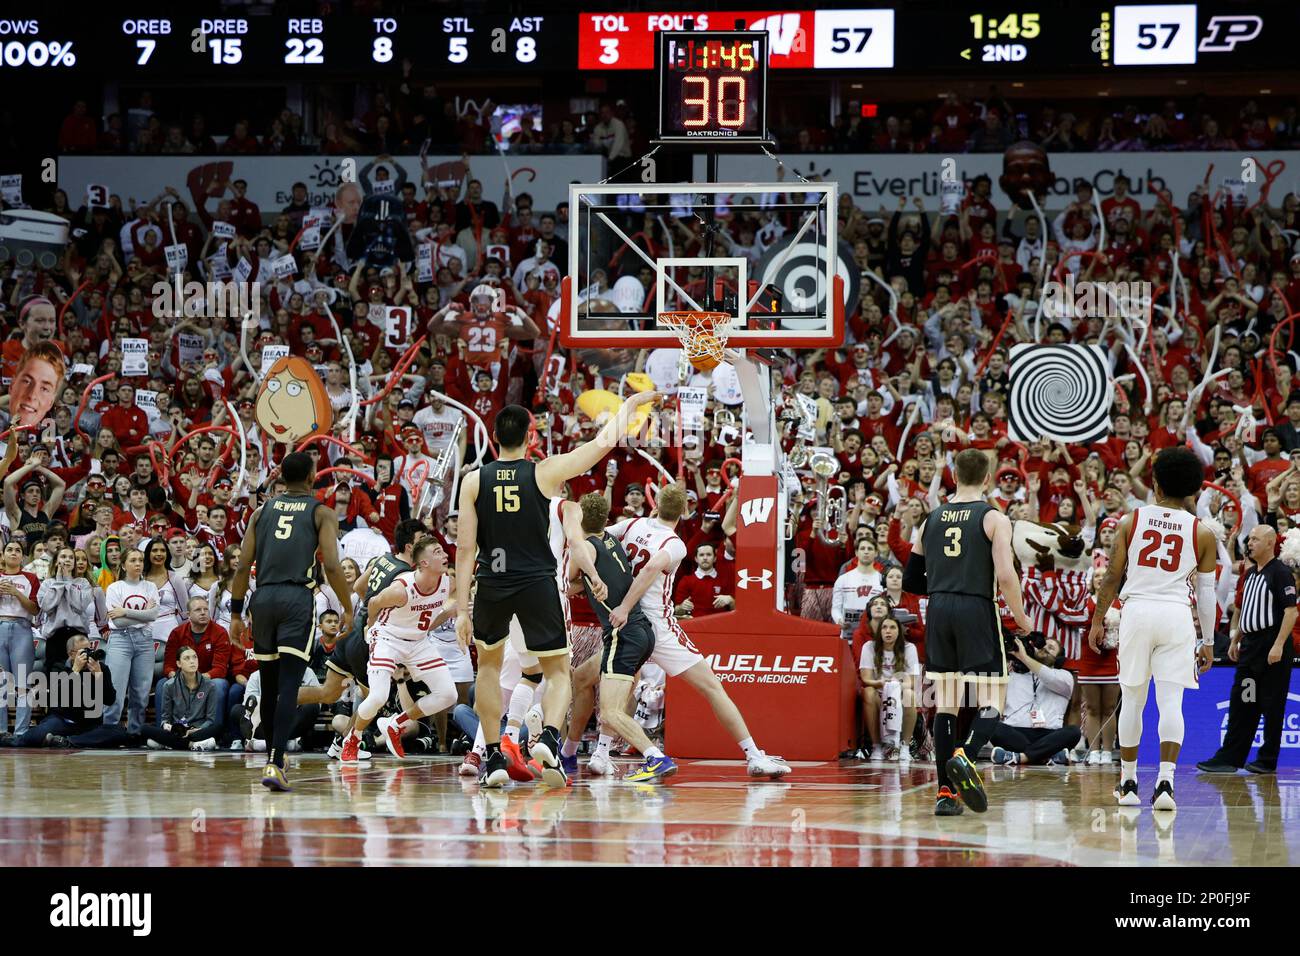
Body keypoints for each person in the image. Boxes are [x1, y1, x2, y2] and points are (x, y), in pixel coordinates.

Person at [454, 393, 659, 788]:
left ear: (495, 437)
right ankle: (548, 735)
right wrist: (629, 407)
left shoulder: (474, 480)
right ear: (530, 437)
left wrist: (463, 608)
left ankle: (493, 755)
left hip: (493, 583)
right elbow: (600, 445)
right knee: (558, 672)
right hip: (537, 582)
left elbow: (464, 550)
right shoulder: (544, 472)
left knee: (491, 670)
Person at [605, 484, 791, 778]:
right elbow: (651, 568)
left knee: (610, 686)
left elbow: (599, 539)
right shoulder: (673, 542)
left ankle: (601, 753)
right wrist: (627, 605)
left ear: (654, 505)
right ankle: (754, 755)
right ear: (682, 512)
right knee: (712, 688)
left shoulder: (633, 524)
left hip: (626, 624)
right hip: (656, 625)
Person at [903, 447, 1034, 817]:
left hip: (939, 608)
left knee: (947, 702)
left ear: (954, 476)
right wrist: (1022, 619)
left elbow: (912, 577)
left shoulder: (931, 519)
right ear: (988, 479)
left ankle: (946, 793)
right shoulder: (994, 517)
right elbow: (1006, 575)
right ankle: (967, 754)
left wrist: (944, 582)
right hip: (977, 606)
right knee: (994, 697)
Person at [1087, 446, 1217, 811]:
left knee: (1133, 700)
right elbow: (1206, 596)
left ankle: (1128, 783)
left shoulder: (1132, 520)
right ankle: (1165, 785)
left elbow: (1112, 576)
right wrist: (1207, 641)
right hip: (1177, 615)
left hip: (1138, 612)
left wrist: (1098, 620)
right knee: (1171, 702)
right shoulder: (1203, 532)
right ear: (1194, 490)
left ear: (1156, 485)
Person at [229, 451, 353, 792]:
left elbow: (241, 567)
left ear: (281, 476)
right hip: (297, 599)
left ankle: (274, 757)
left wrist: (236, 613)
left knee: (268, 687)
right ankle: (275, 760)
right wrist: (347, 606)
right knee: (288, 688)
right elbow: (331, 565)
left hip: (263, 599)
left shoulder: (261, 511)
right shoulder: (322, 512)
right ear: (313, 477)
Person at [570, 492, 675, 782]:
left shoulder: (586, 547)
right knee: (582, 677)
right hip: (641, 632)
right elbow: (578, 585)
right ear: (605, 519)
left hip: (622, 634)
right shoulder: (612, 539)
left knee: (611, 712)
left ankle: (655, 757)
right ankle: (593, 754)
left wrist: (582, 577)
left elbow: (571, 574)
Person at [309, 519, 428, 762]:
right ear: (409, 546)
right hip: (367, 640)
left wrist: (368, 609)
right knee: (375, 698)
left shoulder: (382, 559)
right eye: (421, 539)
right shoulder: (406, 574)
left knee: (327, 693)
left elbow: (361, 587)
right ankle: (347, 743)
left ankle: (283, 698)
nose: (426, 543)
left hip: (352, 634)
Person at [1198, 525, 1296, 774]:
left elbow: (1290, 612)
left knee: (1272, 705)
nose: (1249, 543)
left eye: (1255, 539)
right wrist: (1235, 639)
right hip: (1250, 646)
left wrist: (1278, 645)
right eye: (1249, 538)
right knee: (1243, 702)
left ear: (1271, 542)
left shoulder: (1281, 573)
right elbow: (1248, 609)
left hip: (1272, 646)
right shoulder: (1251, 574)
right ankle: (1230, 758)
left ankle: (1267, 760)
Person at [347, 539, 457, 759]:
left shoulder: (448, 584)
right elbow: (373, 602)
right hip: (388, 636)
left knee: (448, 695)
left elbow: (427, 622)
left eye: (443, 550)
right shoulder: (402, 589)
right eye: (437, 552)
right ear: (423, 563)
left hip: (417, 640)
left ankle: (396, 724)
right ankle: (353, 738)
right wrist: (371, 625)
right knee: (378, 696)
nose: (444, 555)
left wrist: (451, 612)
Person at [990, 636, 1082, 765]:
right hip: (1016, 732)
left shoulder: (1064, 676)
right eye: (1042, 646)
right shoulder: (1014, 673)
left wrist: (1023, 657)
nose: (1044, 648)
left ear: (1059, 659)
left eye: (1051, 648)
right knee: (990, 724)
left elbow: (1046, 675)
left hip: (1049, 735)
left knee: (1074, 732)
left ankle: (1021, 757)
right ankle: (1048, 756)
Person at [101, 548, 161, 737]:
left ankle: (135, 733)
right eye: (133, 560)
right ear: (124, 565)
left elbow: (153, 615)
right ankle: (110, 731)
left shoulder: (150, 587)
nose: (138, 564)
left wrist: (125, 611)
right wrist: (143, 616)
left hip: (144, 641)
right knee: (116, 691)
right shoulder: (115, 587)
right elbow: (117, 622)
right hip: (121, 639)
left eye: (141, 560)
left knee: (141, 693)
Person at [859, 614, 921, 763]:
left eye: (892, 627)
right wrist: (882, 683)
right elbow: (866, 678)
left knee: (910, 695)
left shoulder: (909, 648)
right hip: (879, 690)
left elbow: (912, 681)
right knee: (868, 692)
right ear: (879, 631)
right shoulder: (869, 647)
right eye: (885, 627)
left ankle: (905, 747)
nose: (888, 631)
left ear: (899, 631)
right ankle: (876, 747)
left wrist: (895, 686)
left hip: (899, 692)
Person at [141, 646, 220, 751]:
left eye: (194, 657)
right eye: (187, 658)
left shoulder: (210, 685)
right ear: (179, 664)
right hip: (177, 730)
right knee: (143, 728)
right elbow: (165, 718)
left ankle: (168, 743)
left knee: (218, 727)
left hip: (198, 730)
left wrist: (196, 730)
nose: (192, 661)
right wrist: (166, 726)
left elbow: (210, 719)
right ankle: (192, 745)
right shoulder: (169, 685)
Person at [0, 541, 41, 738]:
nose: (14, 553)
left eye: (18, 550)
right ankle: (1, 731)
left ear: (23, 557)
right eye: (10, 549)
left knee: (22, 683)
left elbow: (35, 609)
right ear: (3, 555)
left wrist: (16, 593)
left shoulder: (30, 578)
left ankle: (21, 731)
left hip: (22, 628)